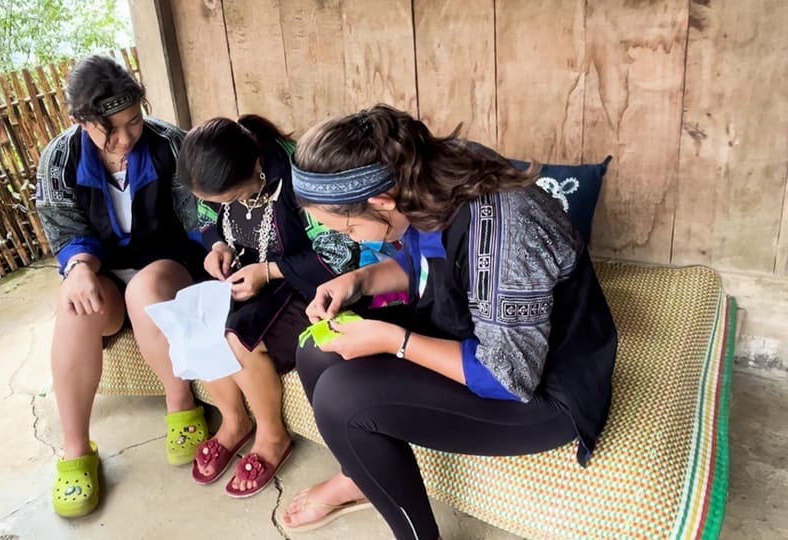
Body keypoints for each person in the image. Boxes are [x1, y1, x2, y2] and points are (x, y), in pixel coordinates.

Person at [280, 104, 618, 539]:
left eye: (347, 230)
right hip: (469, 326)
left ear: (382, 201)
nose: (350, 239)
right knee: (315, 349)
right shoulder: (426, 171)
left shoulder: (503, 234)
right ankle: (360, 476)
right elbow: (430, 266)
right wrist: (359, 280)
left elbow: (509, 376)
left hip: (543, 390)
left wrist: (393, 340)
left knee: (343, 400)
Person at [35, 55, 209, 518]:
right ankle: (76, 450)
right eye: (109, 130)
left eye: (133, 121)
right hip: (106, 273)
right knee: (73, 304)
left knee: (145, 291)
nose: (126, 138)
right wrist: (80, 269)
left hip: (169, 269)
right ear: (81, 122)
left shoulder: (172, 145)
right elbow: (66, 231)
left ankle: (182, 404)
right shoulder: (59, 159)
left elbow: (198, 224)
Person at [172, 115, 357, 498]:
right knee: (198, 323)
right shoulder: (219, 176)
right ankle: (234, 421)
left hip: (307, 286)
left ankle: (272, 435)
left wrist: (269, 271)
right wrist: (217, 249)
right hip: (249, 280)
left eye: (230, 198)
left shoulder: (300, 176)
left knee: (238, 337)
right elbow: (208, 223)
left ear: (255, 166)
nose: (224, 206)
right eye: (218, 201)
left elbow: (341, 254)